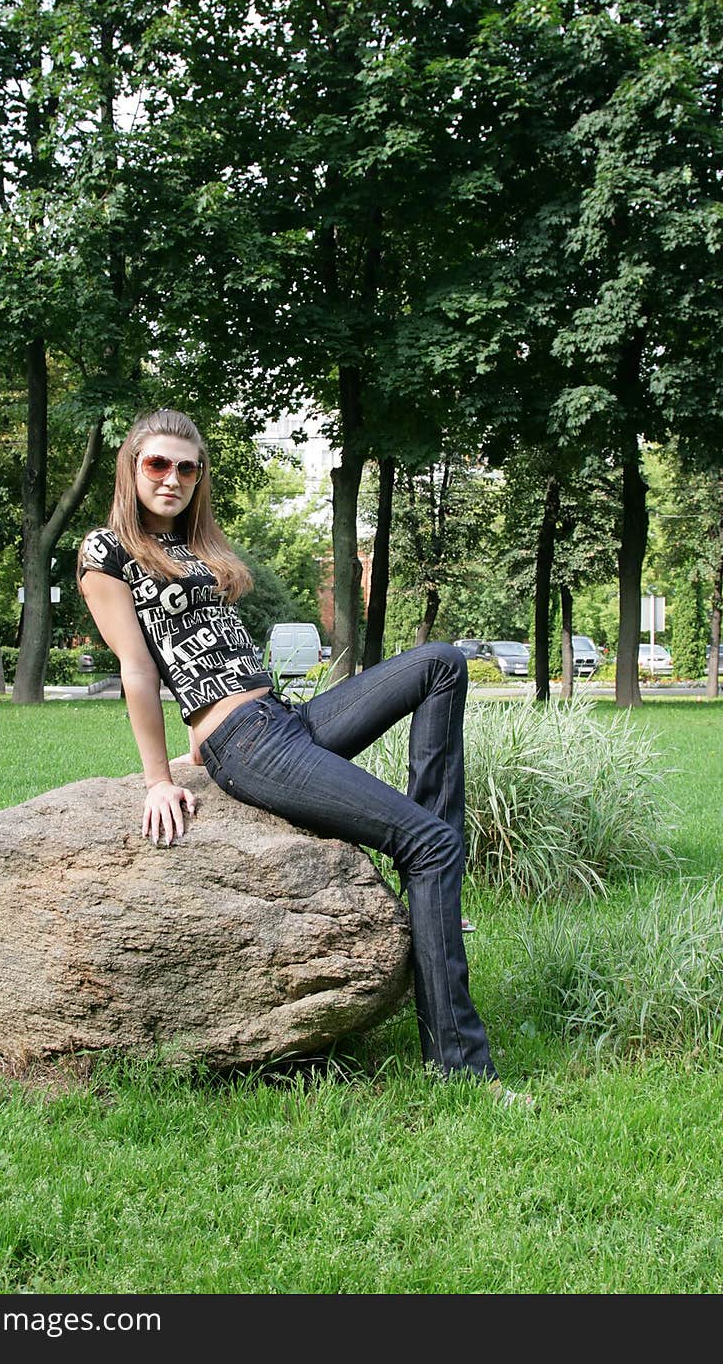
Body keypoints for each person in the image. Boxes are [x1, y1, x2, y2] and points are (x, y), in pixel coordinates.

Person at [77, 408, 530, 1104]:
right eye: (157, 464)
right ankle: (461, 1070)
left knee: (442, 663)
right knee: (432, 845)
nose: (171, 478)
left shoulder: (198, 550)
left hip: (283, 720)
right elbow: (139, 670)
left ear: (200, 479)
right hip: (249, 742)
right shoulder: (106, 552)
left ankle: (429, 894)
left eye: (186, 468)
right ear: (132, 468)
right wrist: (155, 780)